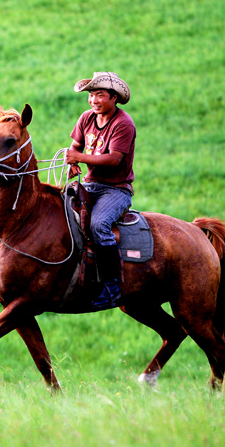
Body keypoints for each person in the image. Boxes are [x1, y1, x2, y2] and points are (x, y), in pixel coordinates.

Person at [65, 72, 136, 309]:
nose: (94, 100)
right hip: (90, 184)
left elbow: (114, 159)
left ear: (114, 98)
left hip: (115, 190)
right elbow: (75, 146)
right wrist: (74, 162)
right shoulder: (86, 118)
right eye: (91, 95)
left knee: (98, 225)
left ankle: (113, 286)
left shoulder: (123, 124)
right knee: (59, 211)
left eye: (100, 95)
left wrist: (79, 156)